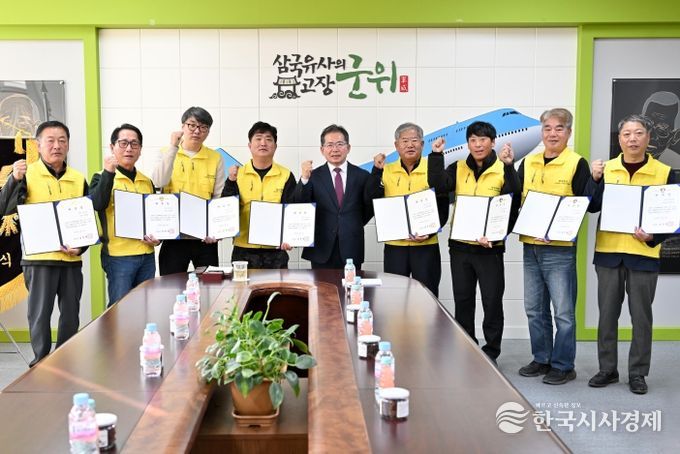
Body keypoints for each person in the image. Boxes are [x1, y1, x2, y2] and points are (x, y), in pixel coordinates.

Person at [586, 114, 677, 395]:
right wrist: (594, 179)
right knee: (606, 316)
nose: (632, 139)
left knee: (641, 318)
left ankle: (638, 373)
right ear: (619, 139)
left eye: (638, 133)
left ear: (648, 138)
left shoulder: (664, 172)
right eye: (627, 134)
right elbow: (591, 206)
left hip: (643, 256)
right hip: (609, 253)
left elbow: (671, 217)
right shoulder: (607, 169)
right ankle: (607, 369)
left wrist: (653, 238)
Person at [428, 121, 520, 362]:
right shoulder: (457, 167)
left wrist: (509, 166)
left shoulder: (502, 168)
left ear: (493, 142)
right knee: (463, 300)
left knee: (492, 301)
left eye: (483, 140)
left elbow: (512, 204)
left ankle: (491, 352)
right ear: (467, 143)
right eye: (473, 140)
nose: (478, 145)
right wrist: (436, 156)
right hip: (460, 248)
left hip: (490, 249)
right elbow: (438, 185)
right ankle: (467, 346)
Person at [0, 121, 87, 366]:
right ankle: (40, 363)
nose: (56, 145)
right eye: (50, 140)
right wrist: (13, 180)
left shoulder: (78, 179)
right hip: (38, 260)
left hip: (71, 259)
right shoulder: (26, 175)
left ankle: (64, 361)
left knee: (71, 315)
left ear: (68, 145)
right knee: (40, 315)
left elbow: (86, 222)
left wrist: (80, 247)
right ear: (38, 146)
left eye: (62, 140)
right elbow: (3, 208)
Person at [517, 108, 591, 385]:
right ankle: (542, 358)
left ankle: (563, 365)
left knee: (563, 313)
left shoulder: (577, 163)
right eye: (547, 128)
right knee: (534, 309)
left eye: (559, 128)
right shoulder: (529, 162)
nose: (552, 133)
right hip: (531, 247)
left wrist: (557, 229)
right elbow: (516, 200)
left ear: (568, 132)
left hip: (559, 249)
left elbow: (582, 205)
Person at [366, 122, 449, 297]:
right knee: (395, 296)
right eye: (404, 141)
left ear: (422, 144)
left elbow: (442, 204)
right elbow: (371, 199)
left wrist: (430, 232)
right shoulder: (386, 170)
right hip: (395, 246)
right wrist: (376, 171)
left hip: (426, 246)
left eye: (414, 140)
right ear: (396, 145)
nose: (410, 145)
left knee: (427, 295)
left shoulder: (433, 168)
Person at [90, 124, 159, 306]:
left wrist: (158, 238)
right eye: (123, 143)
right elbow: (97, 204)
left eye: (134, 144)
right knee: (119, 309)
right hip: (118, 257)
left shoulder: (146, 181)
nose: (129, 148)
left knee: (145, 306)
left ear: (140, 150)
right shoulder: (100, 177)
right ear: (112, 147)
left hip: (147, 254)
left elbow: (155, 216)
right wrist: (108, 172)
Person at [151, 107, 225, 275]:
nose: (197, 131)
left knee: (210, 284)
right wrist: (173, 147)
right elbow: (158, 181)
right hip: (174, 235)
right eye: (192, 125)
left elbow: (218, 196)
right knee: (171, 285)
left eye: (203, 127)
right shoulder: (165, 152)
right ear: (182, 127)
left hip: (204, 237)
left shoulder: (215, 158)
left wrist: (217, 229)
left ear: (208, 132)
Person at [294, 124, 373, 269]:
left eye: (340, 144)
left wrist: (351, 223)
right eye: (329, 145)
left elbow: (369, 208)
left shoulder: (362, 176)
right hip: (321, 248)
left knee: (351, 284)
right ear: (322, 149)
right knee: (321, 285)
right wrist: (304, 179)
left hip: (351, 246)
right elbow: (300, 205)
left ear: (348, 148)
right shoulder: (312, 176)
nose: (335, 149)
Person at [222, 121, 296, 268]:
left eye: (268, 139)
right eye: (258, 138)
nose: (263, 143)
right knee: (242, 284)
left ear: (275, 146)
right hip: (243, 249)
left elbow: (292, 210)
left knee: (276, 284)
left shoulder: (286, 175)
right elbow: (226, 208)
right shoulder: (237, 174)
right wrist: (230, 181)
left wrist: (291, 237)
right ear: (250, 145)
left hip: (275, 250)